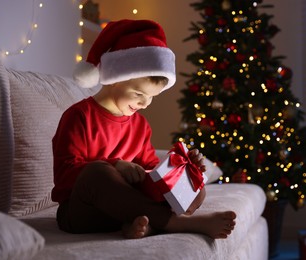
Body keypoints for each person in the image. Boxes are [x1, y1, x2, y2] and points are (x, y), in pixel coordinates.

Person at [51, 19, 236, 239]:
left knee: (196, 187)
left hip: (125, 209)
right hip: (83, 211)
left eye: (152, 97)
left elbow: (150, 172)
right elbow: (64, 175)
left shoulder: (140, 125)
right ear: (114, 79)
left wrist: (179, 170)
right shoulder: (79, 116)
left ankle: (141, 224)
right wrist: (116, 166)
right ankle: (176, 224)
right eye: (139, 94)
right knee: (97, 172)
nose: (145, 103)